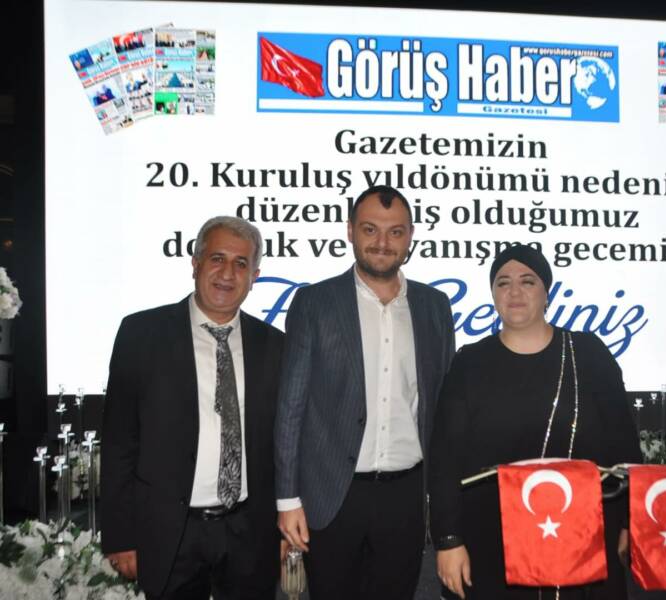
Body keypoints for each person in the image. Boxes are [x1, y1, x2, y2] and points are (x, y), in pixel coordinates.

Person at [429, 244, 640, 600]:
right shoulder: (470, 363)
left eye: (527, 281)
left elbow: (625, 444)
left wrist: (629, 521)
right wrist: (448, 540)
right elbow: (445, 458)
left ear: (547, 292)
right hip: (491, 541)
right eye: (503, 282)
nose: (514, 292)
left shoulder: (588, 354)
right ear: (492, 293)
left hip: (584, 540)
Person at [275, 185, 455, 599]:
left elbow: (442, 408)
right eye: (370, 229)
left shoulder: (434, 306)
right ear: (350, 231)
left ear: (410, 237)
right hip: (331, 495)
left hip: (406, 496)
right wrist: (287, 500)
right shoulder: (315, 302)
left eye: (395, 232)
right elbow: (290, 409)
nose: (382, 242)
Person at [100, 216, 284, 599]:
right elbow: (119, 443)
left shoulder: (275, 345)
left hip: (250, 532)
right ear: (195, 263)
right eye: (217, 258)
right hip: (169, 532)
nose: (227, 274)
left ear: (255, 276)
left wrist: (284, 527)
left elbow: (283, 446)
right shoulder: (141, 334)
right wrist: (120, 536)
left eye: (241, 263)